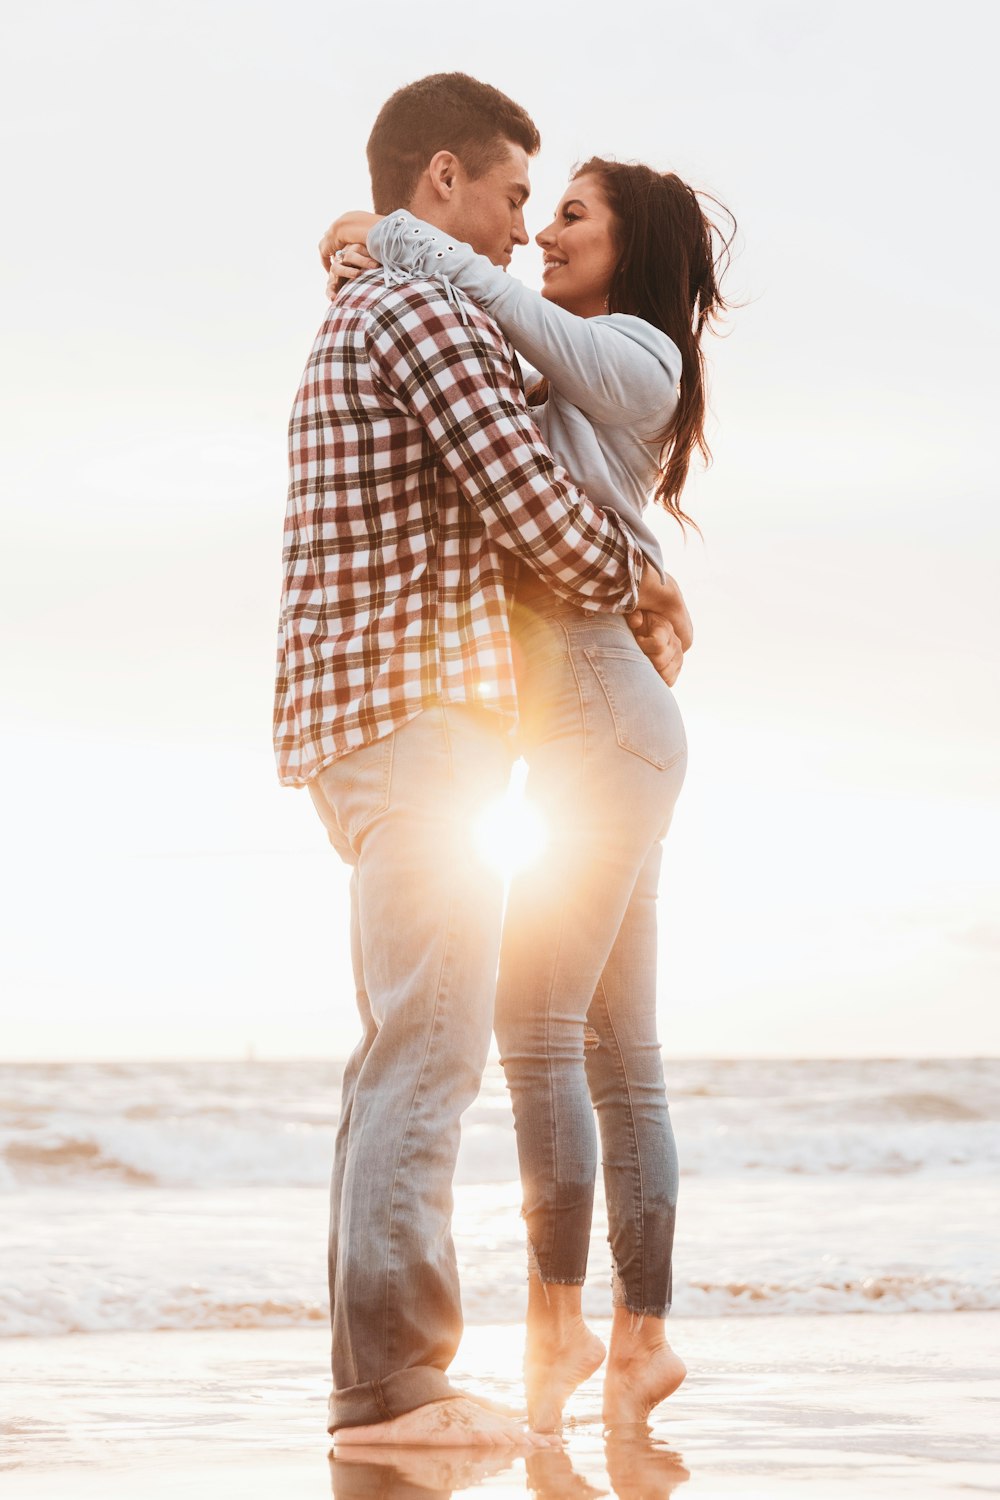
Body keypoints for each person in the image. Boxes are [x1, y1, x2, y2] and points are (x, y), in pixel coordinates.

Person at [275, 72, 692, 1448]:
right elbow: (546, 520)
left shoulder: (396, 304)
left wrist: (363, 234)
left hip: (398, 729)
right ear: (442, 182)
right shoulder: (424, 312)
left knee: (423, 1050)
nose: (522, 231)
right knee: (443, 1049)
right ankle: (397, 1386)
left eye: (552, 208)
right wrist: (641, 574)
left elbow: (546, 448)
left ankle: (398, 1381)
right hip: (422, 724)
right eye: (519, 197)